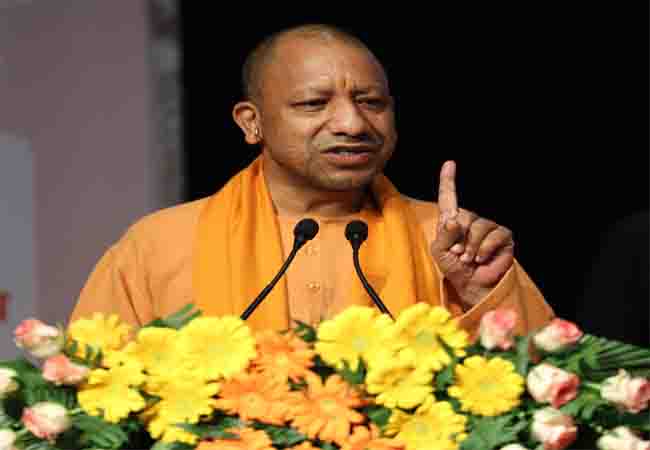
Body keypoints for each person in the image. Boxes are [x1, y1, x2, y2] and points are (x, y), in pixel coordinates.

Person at [69, 24, 554, 337]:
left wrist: (480, 294)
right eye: (313, 104)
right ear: (251, 123)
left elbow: (549, 392)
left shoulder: (451, 243)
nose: (352, 124)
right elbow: (86, 399)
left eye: (371, 102)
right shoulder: (160, 245)